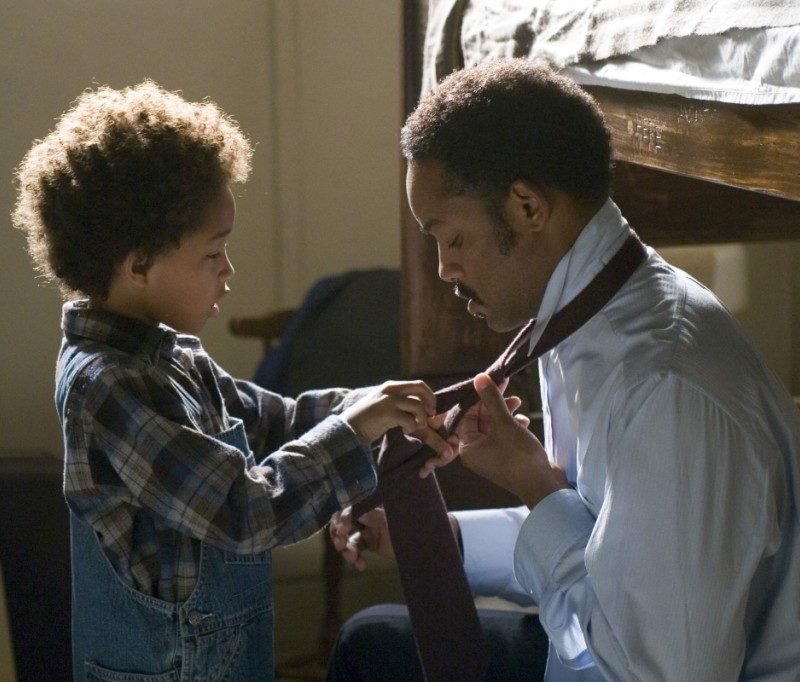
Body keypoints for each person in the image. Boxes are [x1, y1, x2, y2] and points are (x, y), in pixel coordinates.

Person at [327, 58, 800, 680]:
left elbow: (658, 670)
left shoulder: (664, 385)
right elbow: (608, 542)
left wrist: (535, 485)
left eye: (452, 239)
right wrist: (437, 535)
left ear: (527, 207)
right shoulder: (583, 315)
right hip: (624, 650)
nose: (443, 269)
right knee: (371, 642)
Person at [11, 80, 455, 681]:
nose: (229, 270)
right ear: (139, 264)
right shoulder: (107, 387)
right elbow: (245, 511)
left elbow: (277, 421)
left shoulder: (173, 356)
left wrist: (383, 406)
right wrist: (355, 428)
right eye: (213, 253)